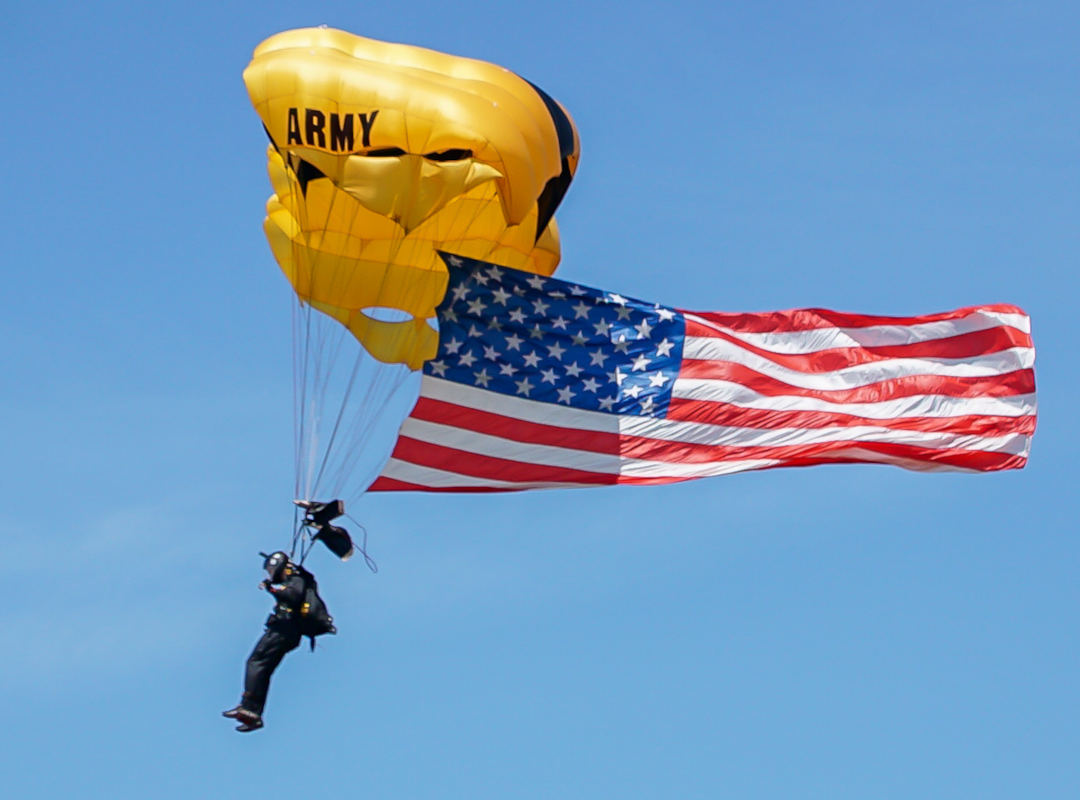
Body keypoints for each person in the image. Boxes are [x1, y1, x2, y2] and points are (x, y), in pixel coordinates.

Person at [222, 551, 335, 732]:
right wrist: (274, 589)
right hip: (287, 632)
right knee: (262, 668)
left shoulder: (296, 578)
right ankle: (253, 714)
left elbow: (293, 595)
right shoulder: (295, 578)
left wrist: (272, 589)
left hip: (284, 630)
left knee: (255, 662)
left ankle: (249, 707)